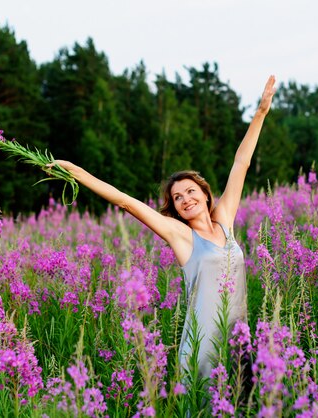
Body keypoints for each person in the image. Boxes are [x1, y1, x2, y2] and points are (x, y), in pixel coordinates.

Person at [48, 75, 276, 378]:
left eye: (191, 191)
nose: (185, 199)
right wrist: (74, 170)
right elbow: (125, 202)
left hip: (239, 343)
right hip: (203, 350)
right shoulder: (181, 235)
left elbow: (241, 163)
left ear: (206, 193)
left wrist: (260, 113)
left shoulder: (225, 222)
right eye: (177, 197)